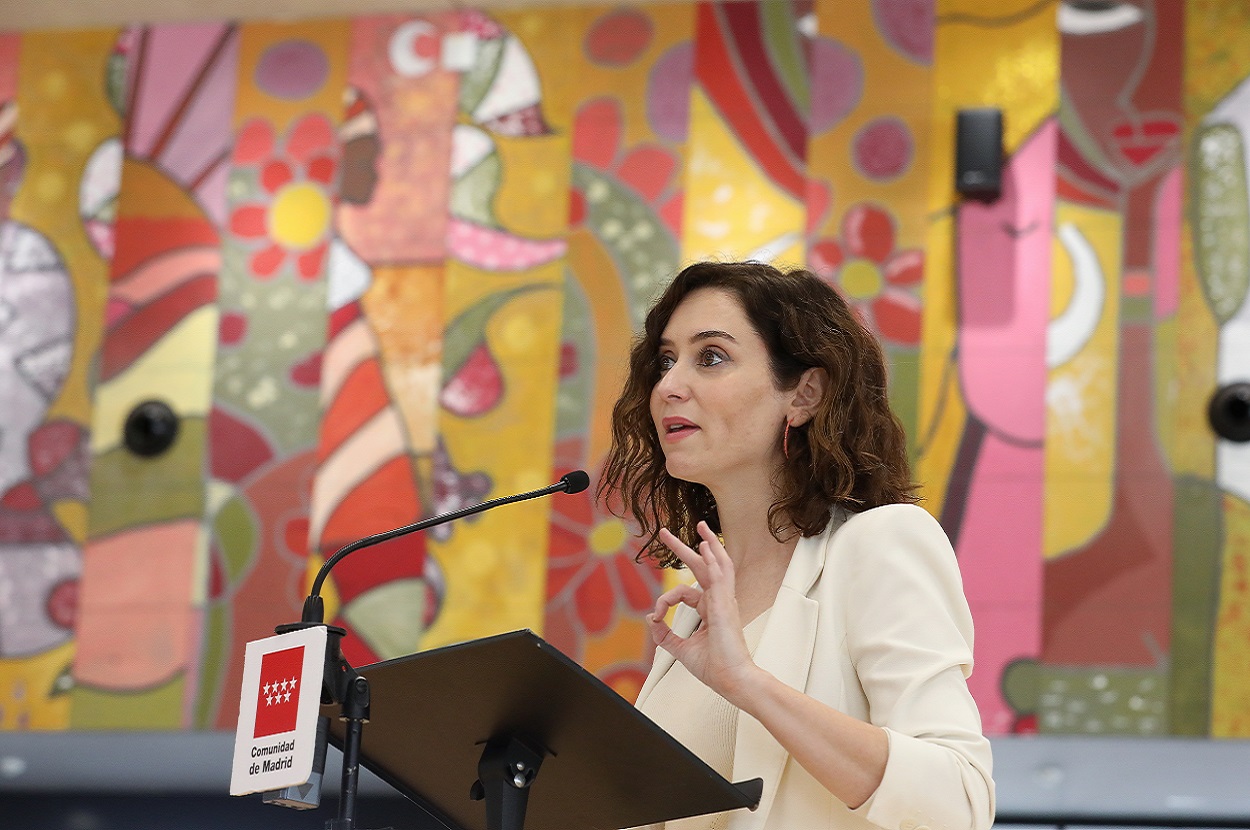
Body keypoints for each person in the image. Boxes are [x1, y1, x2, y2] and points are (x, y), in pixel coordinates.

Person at [599, 261, 994, 830]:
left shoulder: (878, 545)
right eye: (666, 361)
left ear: (804, 394)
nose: (668, 386)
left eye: (711, 356)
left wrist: (749, 684)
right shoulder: (697, 611)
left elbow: (958, 804)